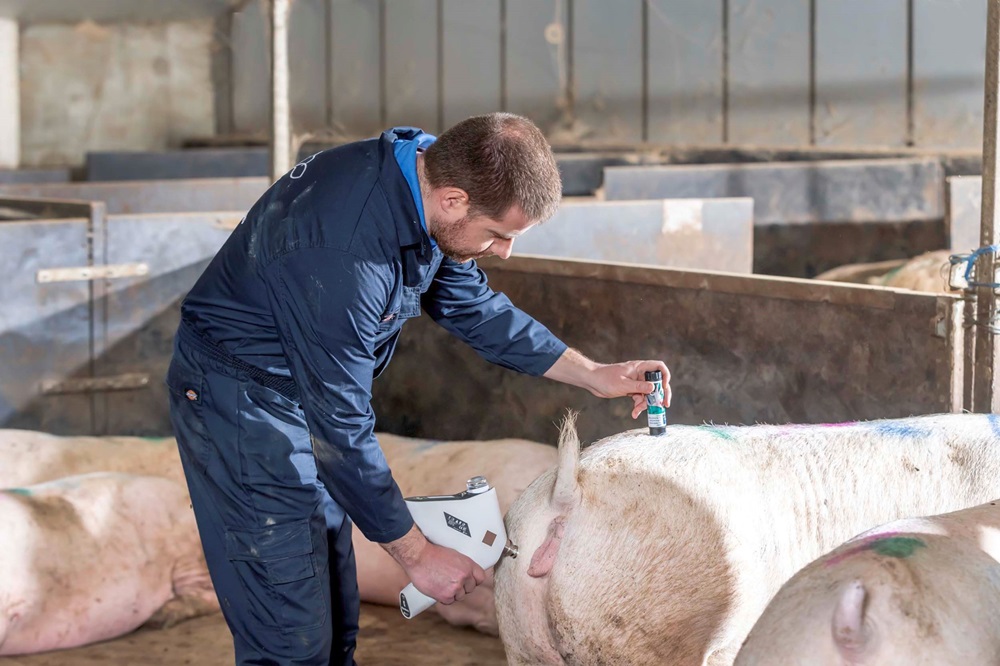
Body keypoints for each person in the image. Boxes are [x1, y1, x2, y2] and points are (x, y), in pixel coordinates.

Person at [166, 112, 671, 665]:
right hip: (244, 403)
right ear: (454, 200)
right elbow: (340, 427)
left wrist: (592, 373)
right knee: (289, 633)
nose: (504, 251)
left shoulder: (425, 176)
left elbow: (471, 305)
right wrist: (418, 555)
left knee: (332, 610)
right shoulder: (344, 254)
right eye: (499, 234)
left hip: (297, 391)